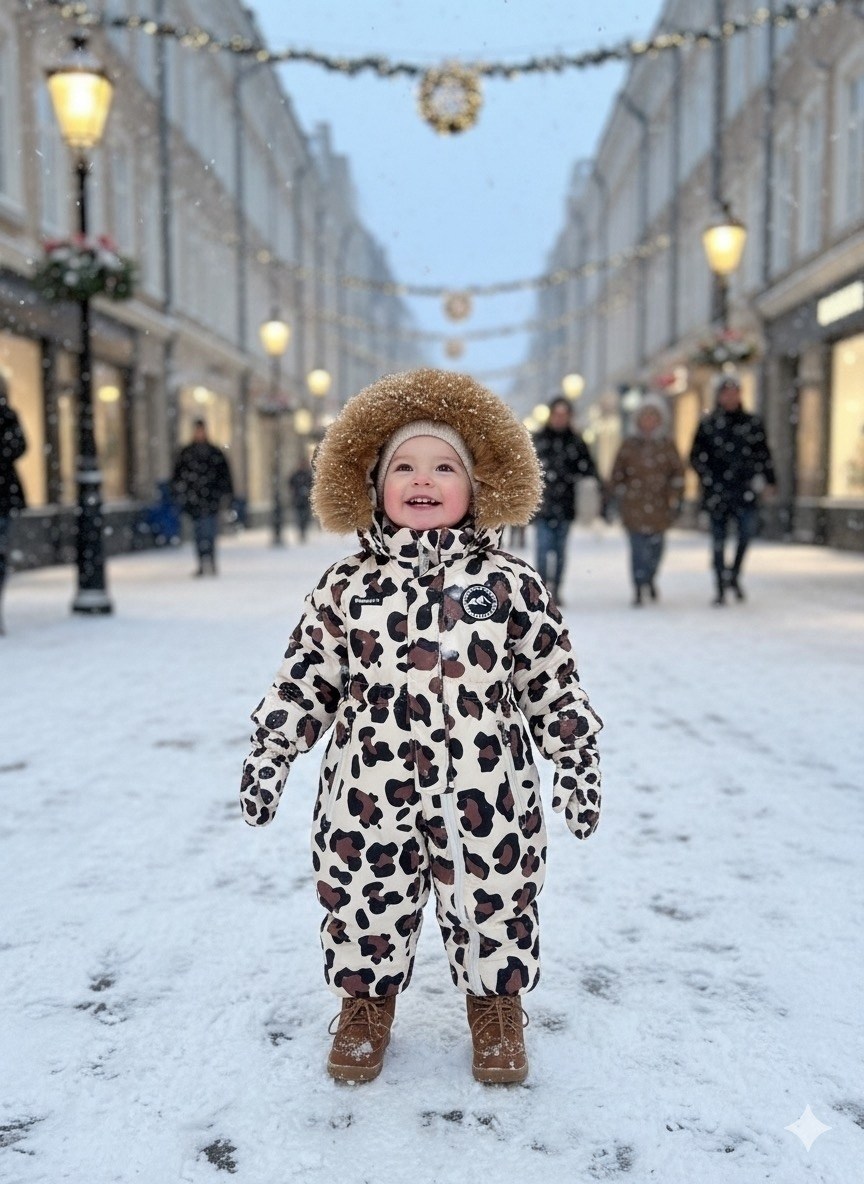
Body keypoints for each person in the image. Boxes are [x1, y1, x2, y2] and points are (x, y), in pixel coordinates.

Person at [240, 369, 602, 1086]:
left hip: (486, 787)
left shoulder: (510, 586)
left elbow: (550, 681)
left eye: (445, 467)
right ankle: (364, 1003)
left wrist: (575, 761)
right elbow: (305, 677)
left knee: (496, 893)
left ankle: (495, 1005)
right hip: (366, 790)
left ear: (478, 487)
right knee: (359, 891)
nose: (423, 480)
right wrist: (273, 749)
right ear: (374, 485)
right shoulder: (345, 587)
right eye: (403, 466)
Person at [689, 374, 776, 605]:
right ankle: (720, 584)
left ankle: (734, 574)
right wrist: (708, 478)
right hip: (717, 490)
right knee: (718, 541)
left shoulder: (752, 423)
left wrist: (768, 481)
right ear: (719, 396)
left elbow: (764, 454)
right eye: (726, 393)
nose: (730, 397)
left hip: (744, 490)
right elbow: (696, 456)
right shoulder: (708, 424)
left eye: (734, 392)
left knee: (745, 535)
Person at [609, 394, 684, 606]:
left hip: (660, 507)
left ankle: (650, 578)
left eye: (653, 416)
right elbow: (617, 473)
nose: (649, 420)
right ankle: (638, 585)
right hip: (634, 506)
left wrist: (676, 497)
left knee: (656, 550)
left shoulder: (667, 445)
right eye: (646, 416)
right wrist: (618, 494)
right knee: (637, 550)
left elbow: (677, 472)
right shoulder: (629, 445)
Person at [532, 397, 598, 605]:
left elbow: (589, 469)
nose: (560, 418)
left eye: (564, 415)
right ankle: (542, 589)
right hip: (543, 506)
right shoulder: (538, 440)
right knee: (543, 551)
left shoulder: (576, 442)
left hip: (565, 505)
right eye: (557, 414)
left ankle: (557, 589)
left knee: (559, 552)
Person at [171, 419, 234, 576]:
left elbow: (224, 476)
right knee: (199, 533)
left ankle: (210, 561)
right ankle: (202, 562)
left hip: (210, 500)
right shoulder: (187, 453)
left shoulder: (214, 453)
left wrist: (225, 494)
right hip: (195, 501)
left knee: (209, 532)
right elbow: (177, 476)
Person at [0, 375, 26, 635]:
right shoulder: (7, 415)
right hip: (4, 494)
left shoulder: (7, 415)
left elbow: (18, 446)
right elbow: (18, 446)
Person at [288, 455, 313, 542]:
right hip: (297, 500)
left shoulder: (308, 475)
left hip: (305, 500)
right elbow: (290, 484)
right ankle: (301, 531)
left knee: (305, 517)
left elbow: (312, 485)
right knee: (299, 517)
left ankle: (303, 530)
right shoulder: (295, 474)